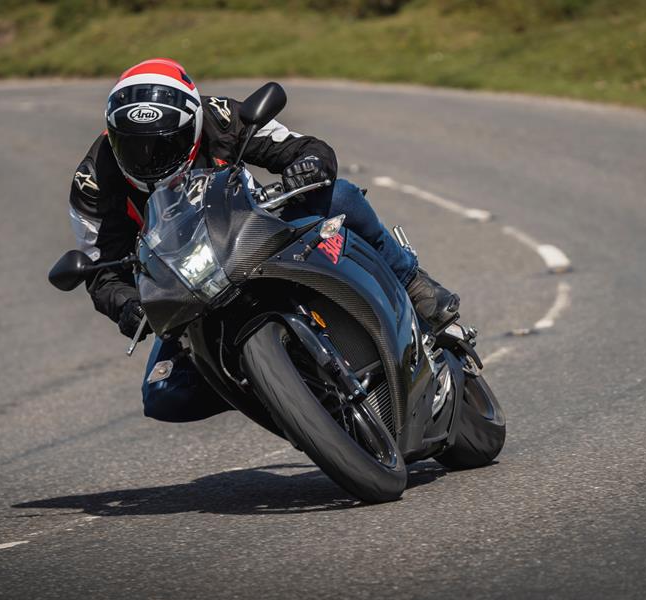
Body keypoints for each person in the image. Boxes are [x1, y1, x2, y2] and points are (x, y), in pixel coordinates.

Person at [68, 58, 459, 422]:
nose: (148, 159)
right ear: (111, 135)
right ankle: (287, 403)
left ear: (193, 126)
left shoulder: (221, 117)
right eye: (132, 147)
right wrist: (128, 305)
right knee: (164, 396)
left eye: (163, 145)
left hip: (252, 233)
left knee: (340, 197)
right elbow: (100, 272)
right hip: (186, 282)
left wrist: (307, 167)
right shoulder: (93, 180)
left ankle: (411, 282)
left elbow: (306, 148)